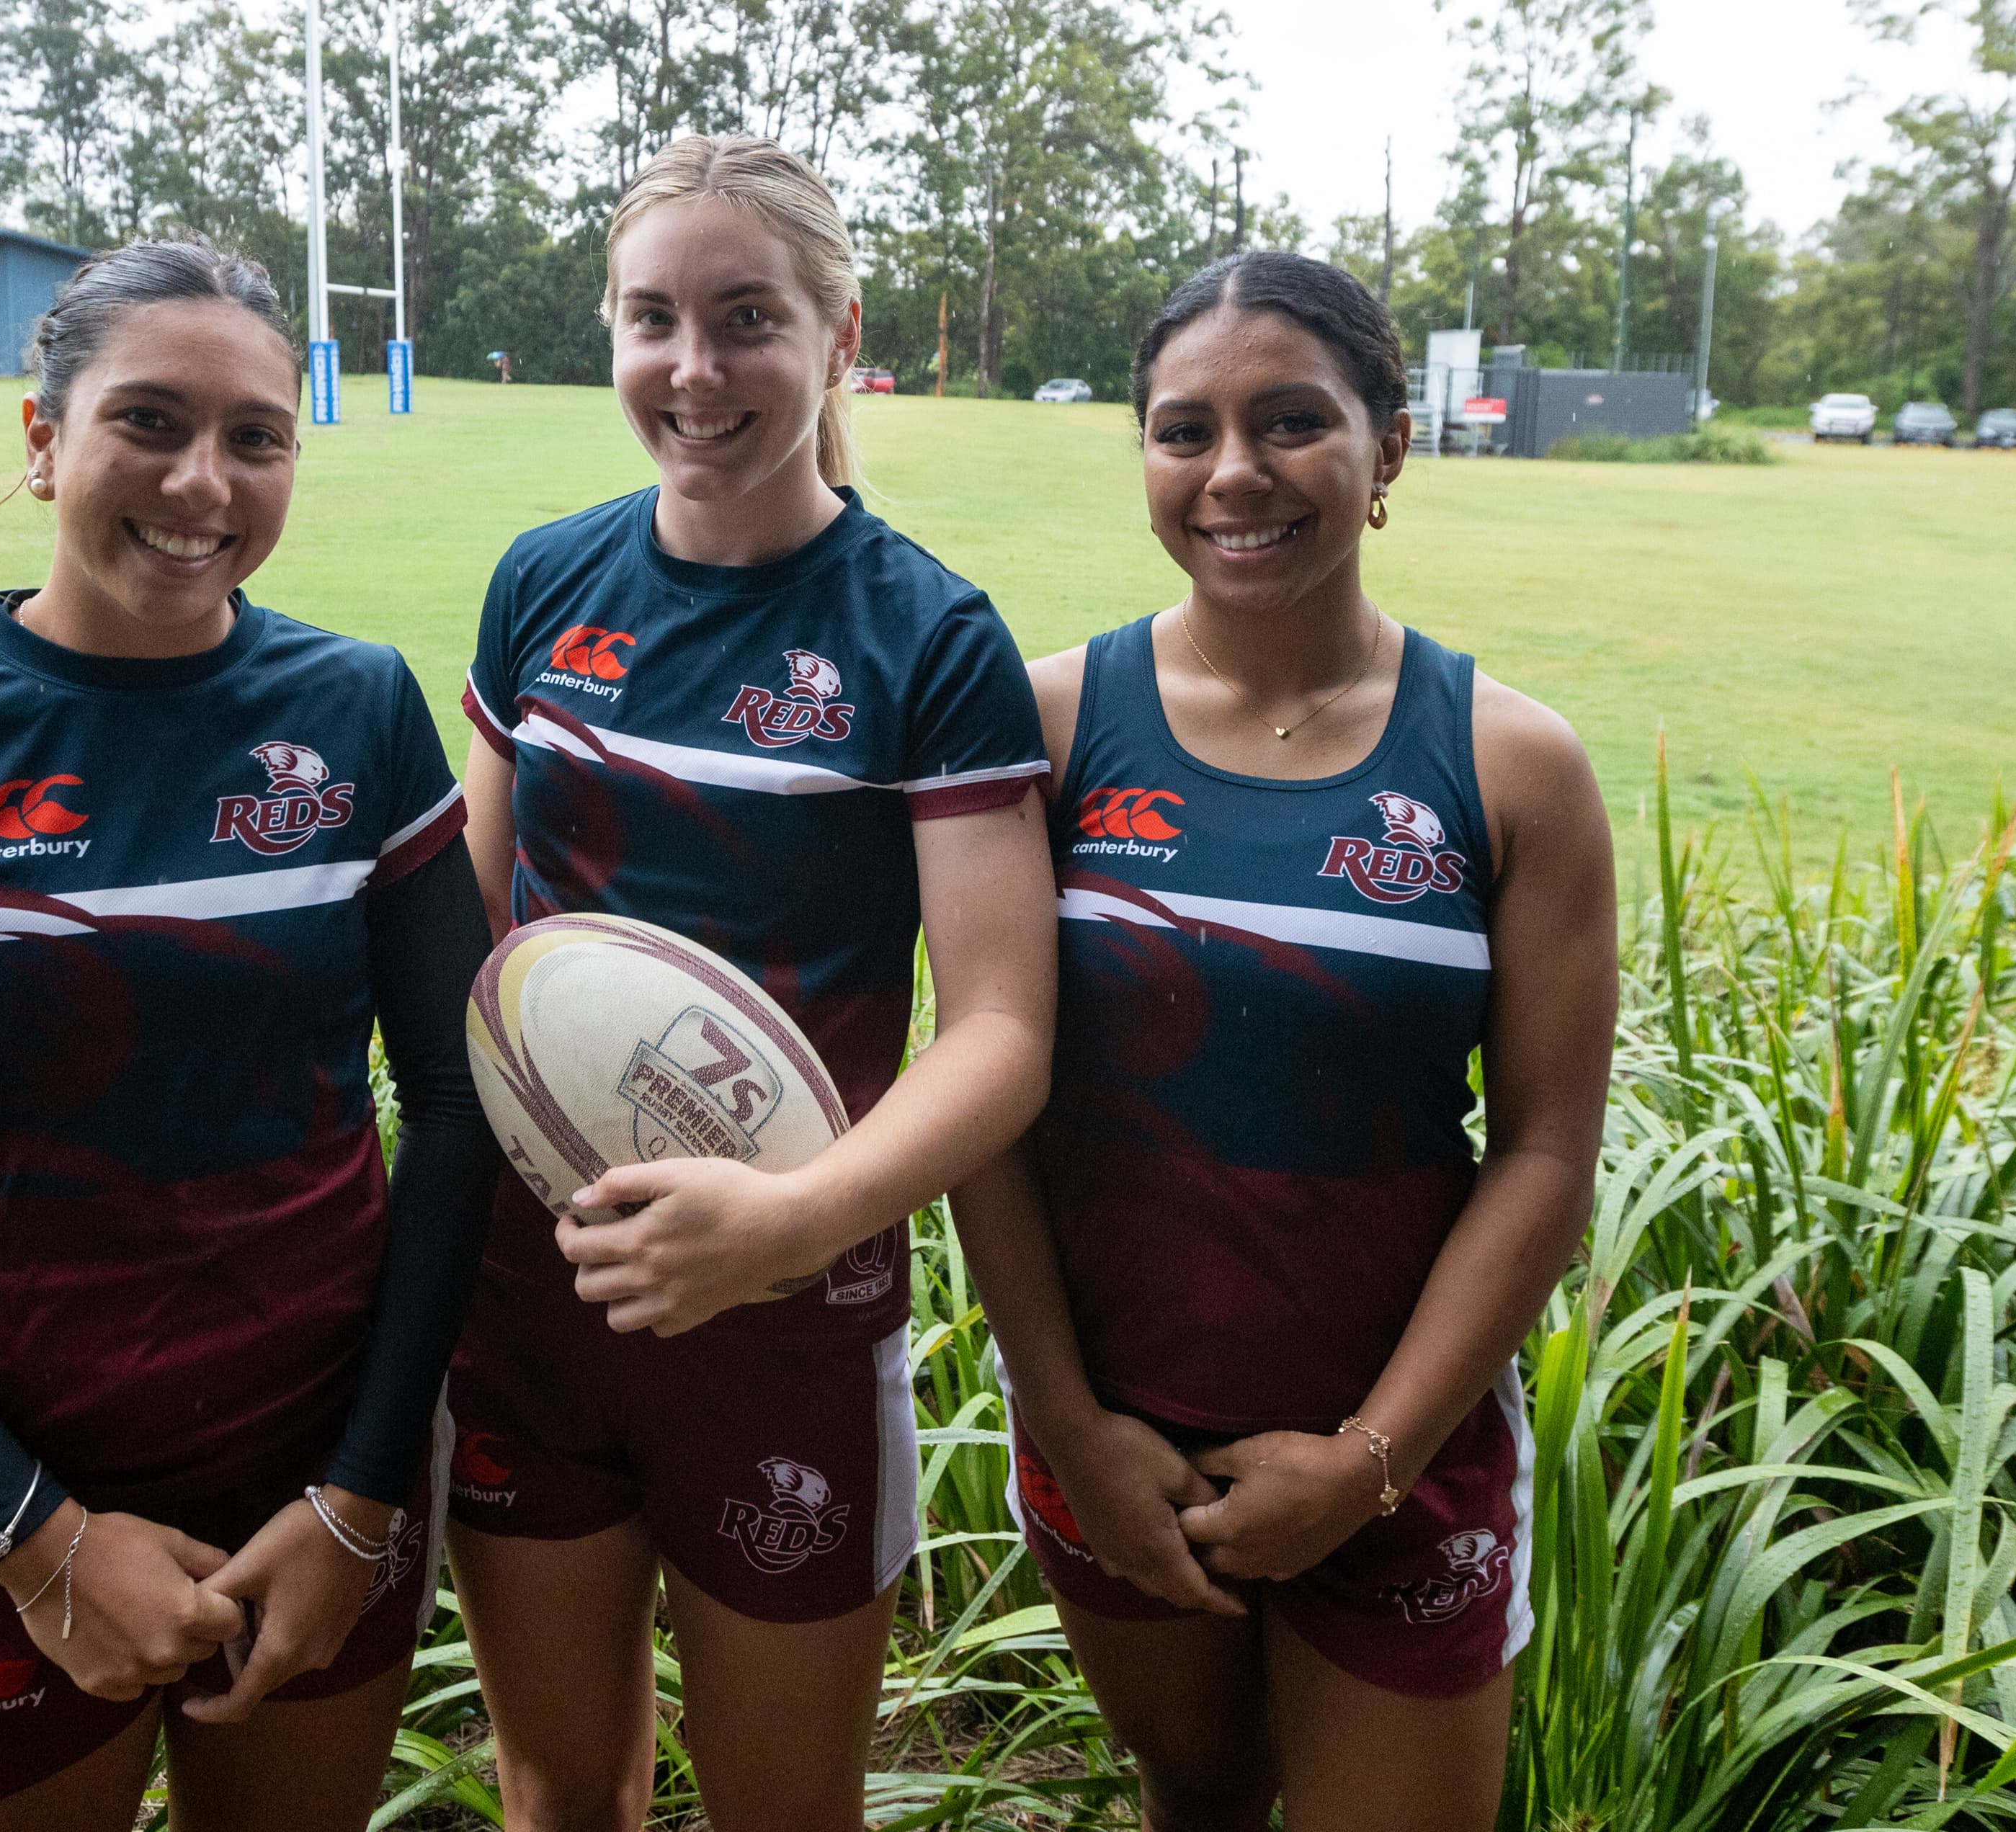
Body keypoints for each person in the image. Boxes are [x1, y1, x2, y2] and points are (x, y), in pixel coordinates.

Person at [0, 237, 500, 1831]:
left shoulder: (356, 710)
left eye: (256, 437)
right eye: (149, 421)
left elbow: (457, 1096)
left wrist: (360, 1497)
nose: (204, 482)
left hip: (316, 1496)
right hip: (4, 1506)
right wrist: (37, 1541)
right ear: (42, 437)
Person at [950, 249, 1617, 1831]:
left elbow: (1544, 1152)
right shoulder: (1043, 729)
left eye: (1292, 421)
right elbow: (982, 1097)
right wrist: (1070, 1426)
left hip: (1403, 1456)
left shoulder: (1514, 767)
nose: (1234, 472)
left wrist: (1374, 1460)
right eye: (1184, 431)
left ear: (1390, 448)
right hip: (1119, 1447)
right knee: (1197, 1799)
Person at [446, 135, 1060, 1832]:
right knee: (561, 1795)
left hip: (792, 1312)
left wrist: (794, 1223)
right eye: (652, 319)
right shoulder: (542, 583)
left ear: (839, 333)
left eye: (746, 319)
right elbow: (472, 938)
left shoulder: (928, 636)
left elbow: (1003, 1030)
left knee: (786, 1808)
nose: (694, 369)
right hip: (534, 1300)